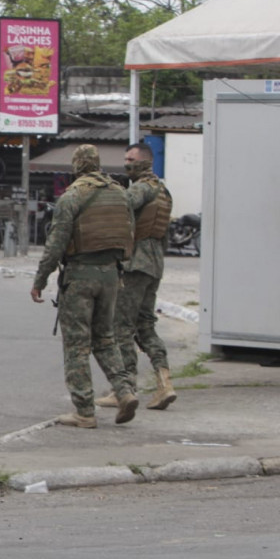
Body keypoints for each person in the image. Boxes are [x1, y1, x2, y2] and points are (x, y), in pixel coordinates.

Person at [30, 144, 139, 428]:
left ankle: (84, 411)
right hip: (112, 276)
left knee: (77, 345)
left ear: (77, 165)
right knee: (105, 339)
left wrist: (40, 280)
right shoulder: (120, 193)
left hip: (80, 276)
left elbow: (55, 245)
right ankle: (125, 391)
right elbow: (129, 233)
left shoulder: (73, 196)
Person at [97, 142, 177, 410]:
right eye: (125, 158)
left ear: (144, 161)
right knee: (145, 325)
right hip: (154, 263)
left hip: (135, 265)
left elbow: (121, 207)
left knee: (121, 327)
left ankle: (124, 388)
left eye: (131, 159)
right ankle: (164, 382)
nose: (127, 163)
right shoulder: (163, 191)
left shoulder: (141, 188)